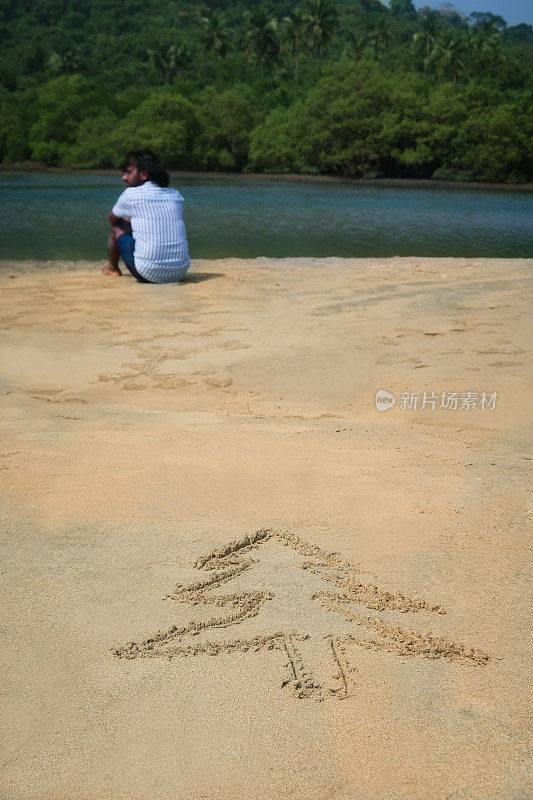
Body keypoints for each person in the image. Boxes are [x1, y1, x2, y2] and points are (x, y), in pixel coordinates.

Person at [103, 149, 190, 283]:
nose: (124, 177)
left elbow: (111, 218)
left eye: (128, 172)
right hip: (179, 272)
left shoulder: (131, 195)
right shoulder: (175, 194)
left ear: (143, 174)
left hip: (148, 273)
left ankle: (112, 267)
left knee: (117, 226)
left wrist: (126, 221)